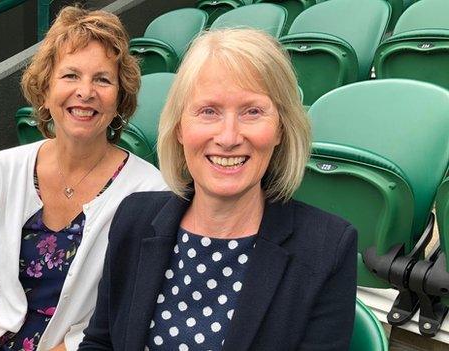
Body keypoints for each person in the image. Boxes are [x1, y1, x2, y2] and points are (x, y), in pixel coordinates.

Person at [79, 28, 357, 351]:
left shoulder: (328, 248)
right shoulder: (133, 217)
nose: (228, 137)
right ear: (180, 127)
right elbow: (100, 342)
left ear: (280, 128)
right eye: (208, 111)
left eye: (252, 111)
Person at [0, 6, 167, 351]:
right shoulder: (0, 168)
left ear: (120, 97)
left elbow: (124, 316)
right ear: (45, 89)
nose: (85, 92)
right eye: (70, 76)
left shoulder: (151, 193)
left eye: (102, 79)